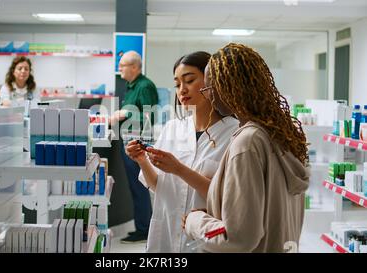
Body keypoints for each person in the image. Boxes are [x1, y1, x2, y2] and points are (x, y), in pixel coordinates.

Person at [182, 43, 310, 252]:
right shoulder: (281, 134)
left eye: (209, 88)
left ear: (230, 87)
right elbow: (263, 216)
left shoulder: (248, 143)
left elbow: (237, 236)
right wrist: (220, 211)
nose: (208, 96)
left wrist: (195, 222)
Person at [125, 51, 238, 252]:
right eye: (177, 84)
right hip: (166, 235)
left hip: (206, 240)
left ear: (213, 81)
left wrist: (178, 169)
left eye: (189, 80)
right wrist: (142, 160)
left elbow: (227, 198)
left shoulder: (235, 134)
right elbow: (157, 186)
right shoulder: (172, 129)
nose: (182, 90)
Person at [110, 51, 158, 244]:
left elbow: (151, 117)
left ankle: (145, 230)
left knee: (139, 186)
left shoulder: (145, 86)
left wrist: (124, 114)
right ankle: (142, 227)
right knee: (135, 186)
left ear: (135, 67)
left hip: (138, 144)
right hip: (128, 142)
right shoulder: (131, 87)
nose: (119, 68)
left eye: (123, 65)